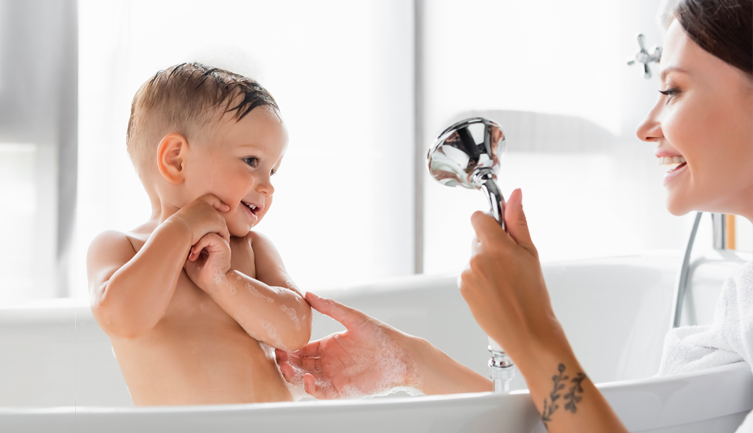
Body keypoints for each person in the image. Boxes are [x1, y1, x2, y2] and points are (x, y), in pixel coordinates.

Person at [276, 0, 752, 431]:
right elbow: (584, 422)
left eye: (671, 91)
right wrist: (410, 364)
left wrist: (533, 329)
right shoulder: (741, 298)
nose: (647, 128)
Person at [87, 63, 311, 406]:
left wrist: (223, 281)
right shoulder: (123, 247)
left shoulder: (252, 249)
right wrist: (179, 230)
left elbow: (295, 330)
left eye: (273, 170)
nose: (268, 187)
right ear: (177, 160)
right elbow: (122, 318)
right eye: (252, 160)